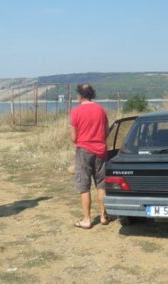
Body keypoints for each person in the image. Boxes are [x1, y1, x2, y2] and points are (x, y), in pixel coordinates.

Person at [70, 84, 110, 229]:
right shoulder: (101, 110)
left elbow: (74, 137)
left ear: (80, 95)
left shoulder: (76, 112)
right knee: (101, 185)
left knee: (84, 186)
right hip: (101, 151)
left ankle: (87, 219)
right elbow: (106, 132)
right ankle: (103, 216)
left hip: (84, 151)